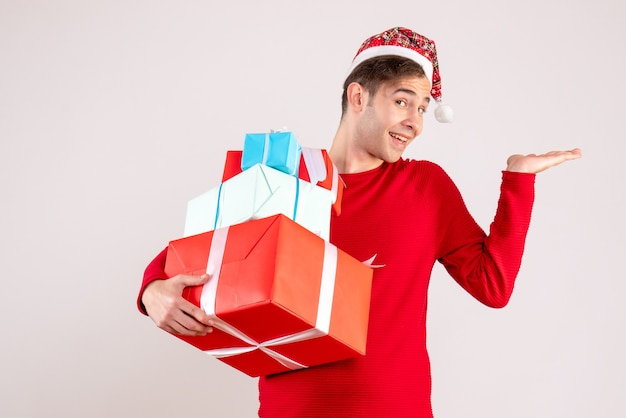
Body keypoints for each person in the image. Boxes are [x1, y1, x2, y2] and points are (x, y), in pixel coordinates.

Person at [137, 27, 582, 417]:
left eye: (424, 108)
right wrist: (153, 289)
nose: (415, 122)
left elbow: (493, 285)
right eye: (403, 101)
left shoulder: (425, 187)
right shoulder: (281, 180)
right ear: (358, 96)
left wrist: (518, 182)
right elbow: (187, 258)